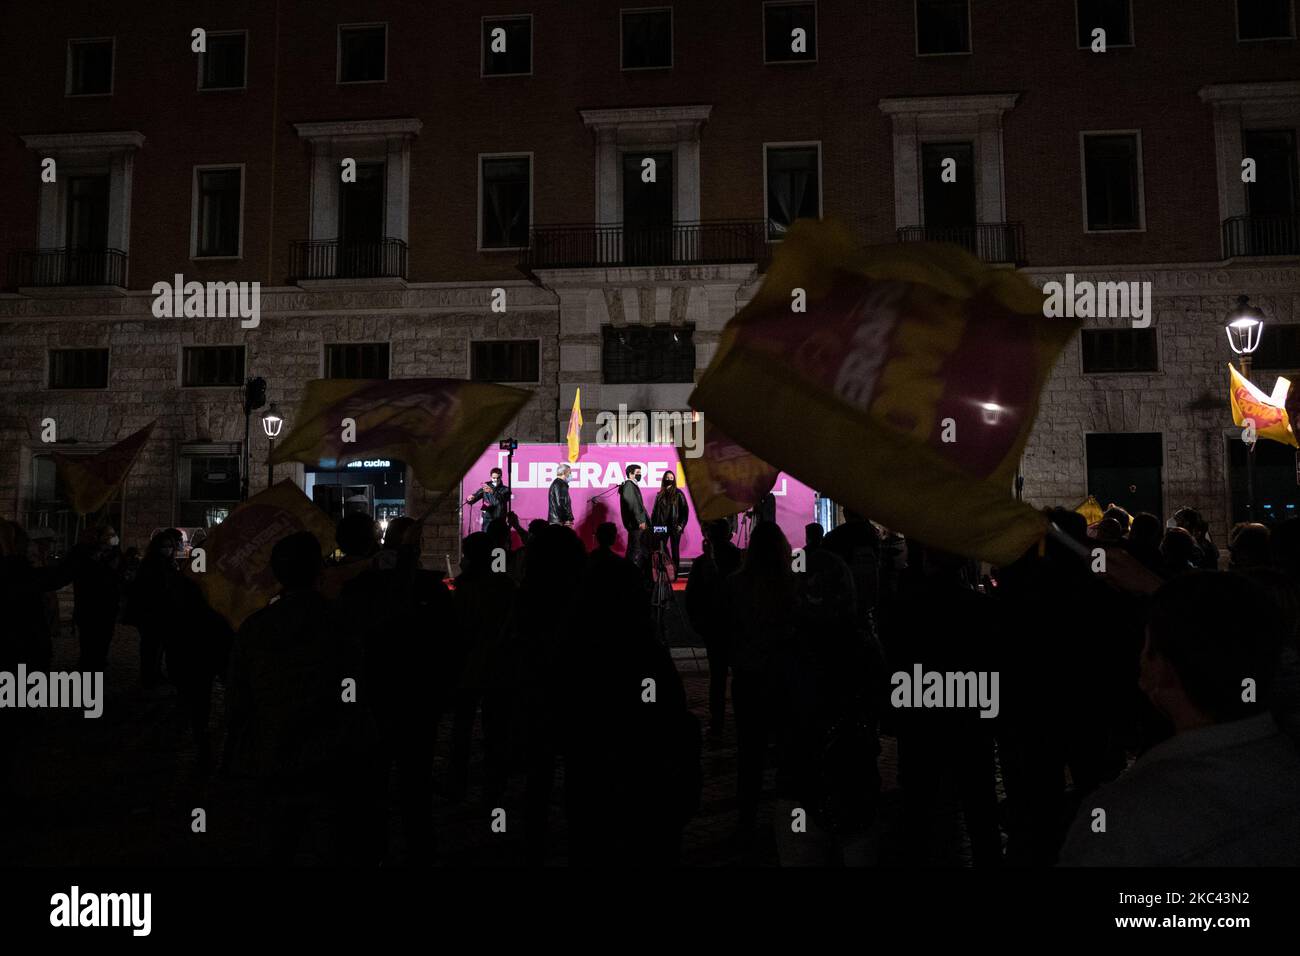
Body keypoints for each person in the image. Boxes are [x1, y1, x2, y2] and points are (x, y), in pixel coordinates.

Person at [1060, 572, 1300, 865]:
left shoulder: (1122, 821)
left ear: (1159, 672)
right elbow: (1227, 633)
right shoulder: (1285, 760)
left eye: (1147, 648)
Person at [224, 531, 369, 864]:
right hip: (332, 755)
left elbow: (238, 699)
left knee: (277, 844)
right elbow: (355, 686)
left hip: (275, 752)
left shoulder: (256, 627)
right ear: (319, 572)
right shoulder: (340, 622)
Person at [769, 549, 889, 865]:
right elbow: (883, 708)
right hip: (855, 785)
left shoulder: (785, 651)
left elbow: (771, 718)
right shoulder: (863, 648)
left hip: (799, 788)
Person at [726, 521, 798, 837]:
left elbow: (723, 628)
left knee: (749, 752)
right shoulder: (792, 585)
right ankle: (792, 818)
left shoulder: (735, 585)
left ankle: (747, 817)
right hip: (783, 677)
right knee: (788, 749)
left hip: (748, 677)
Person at [448, 532, 519, 805]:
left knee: (462, 725)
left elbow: (456, 628)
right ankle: (494, 783)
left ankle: (457, 781)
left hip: (468, 663)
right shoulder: (504, 585)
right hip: (497, 664)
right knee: (496, 727)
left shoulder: (463, 587)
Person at [684, 519, 742, 738]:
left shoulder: (702, 563)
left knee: (716, 678)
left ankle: (717, 722)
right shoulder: (740, 559)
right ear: (728, 535)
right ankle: (741, 721)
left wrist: (699, 624)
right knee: (739, 676)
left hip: (714, 628)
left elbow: (692, 598)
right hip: (736, 627)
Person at [71, 525, 124, 671]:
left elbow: (119, 575)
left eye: (113, 534)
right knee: (88, 638)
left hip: (109, 604)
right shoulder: (85, 553)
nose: (112, 537)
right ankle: (87, 665)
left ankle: (99, 661)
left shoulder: (114, 553)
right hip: (89, 604)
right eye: (109, 535)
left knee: (105, 637)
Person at [651, 471, 689, 576]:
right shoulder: (659, 494)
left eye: (671, 477)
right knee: (660, 549)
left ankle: (674, 573)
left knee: (675, 550)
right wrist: (653, 526)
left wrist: (681, 525)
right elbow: (654, 512)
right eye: (667, 477)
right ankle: (664, 570)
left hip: (674, 527)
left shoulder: (679, 493)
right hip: (661, 527)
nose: (669, 479)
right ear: (664, 479)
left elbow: (685, 511)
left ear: (674, 479)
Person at [619, 463, 649, 571]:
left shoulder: (631, 485)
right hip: (636, 524)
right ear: (630, 474)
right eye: (637, 473)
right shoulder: (629, 485)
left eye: (640, 473)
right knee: (636, 549)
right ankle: (633, 574)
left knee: (633, 549)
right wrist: (640, 520)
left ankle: (629, 573)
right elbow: (632, 504)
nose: (640, 475)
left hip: (634, 524)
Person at [464, 467, 511, 533]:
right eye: (494, 478)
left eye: (498, 478)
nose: (496, 480)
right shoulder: (486, 487)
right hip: (488, 520)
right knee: (486, 539)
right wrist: (469, 499)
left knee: (499, 540)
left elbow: (503, 499)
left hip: (500, 520)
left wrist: (492, 491)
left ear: (501, 477)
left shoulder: (506, 489)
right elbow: (475, 497)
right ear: (490, 477)